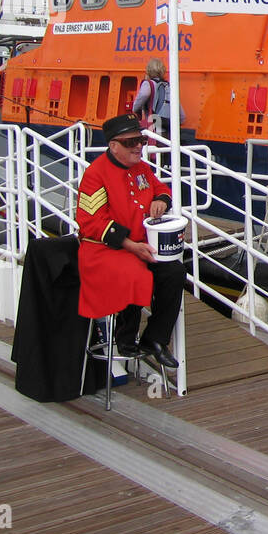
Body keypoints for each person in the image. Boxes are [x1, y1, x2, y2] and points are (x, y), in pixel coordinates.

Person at [76, 113, 186, 369]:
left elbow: (161, 188)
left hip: (142, 245)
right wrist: (129, 245)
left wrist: (161, 200)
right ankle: (125, 337)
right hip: (105, 250)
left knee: (174, 272)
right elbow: (91, 223)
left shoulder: (141, 168)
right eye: (131, 142)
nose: (138, 146)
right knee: (135, 274)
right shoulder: (95, 175)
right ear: (113, 146)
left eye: (141, 139)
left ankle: (155, 339)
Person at [132, 58, 170, 135]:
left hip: (152, 127)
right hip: (166, 128)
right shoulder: (168, 86)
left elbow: (143, 95)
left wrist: (135, 108)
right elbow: (181, 115)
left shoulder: (149, 84)